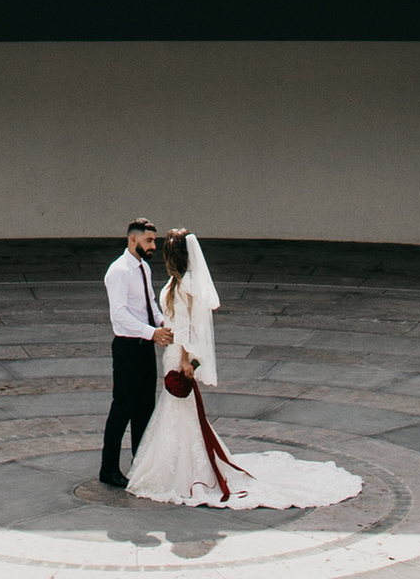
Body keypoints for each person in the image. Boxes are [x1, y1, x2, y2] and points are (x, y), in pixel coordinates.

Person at [124, 232, 362, 513]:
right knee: (181, 411)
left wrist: (186, 361)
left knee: (178, 410)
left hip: (177, 355)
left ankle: (183, 471)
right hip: (172, 351)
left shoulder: (183, 287)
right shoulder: (178, 284)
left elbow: (188, 328)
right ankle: (183, 464)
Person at [99, 217, 169, 489]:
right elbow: (119, 315)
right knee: (122, 409)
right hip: (128, 347)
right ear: (133, 239)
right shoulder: (119, 271)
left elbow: (149, 303)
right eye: (149, 240)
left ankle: (139, 465)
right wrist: (152, 332)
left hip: (145, 347)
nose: (153, 245)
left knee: (145, 409)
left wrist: (163, 324)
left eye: (154, 240)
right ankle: (108, 468)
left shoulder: (143, 268)